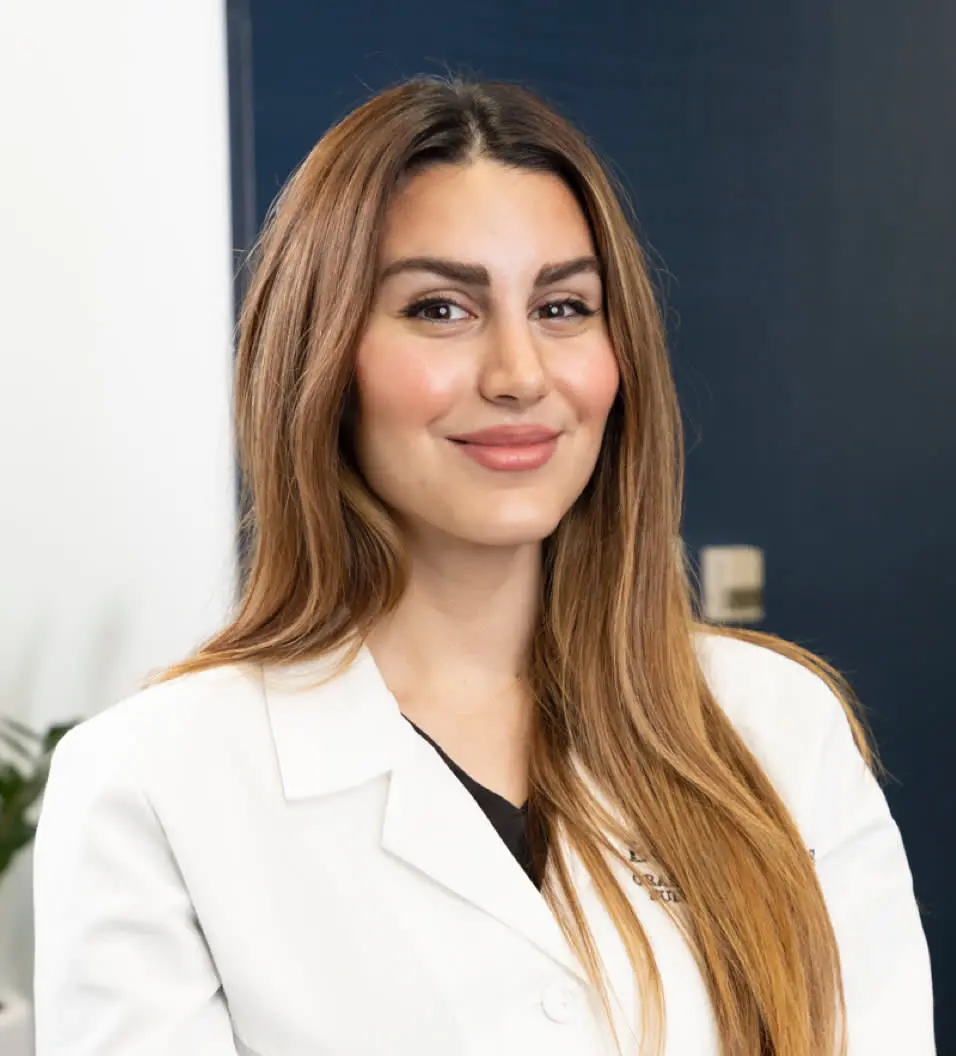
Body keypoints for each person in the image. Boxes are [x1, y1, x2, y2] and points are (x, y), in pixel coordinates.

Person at [32, 77, 934, 1056]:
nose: (517, 374)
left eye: (560, 306)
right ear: (320, 358)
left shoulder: (777, 727)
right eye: (438, 308)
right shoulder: (153, 783)